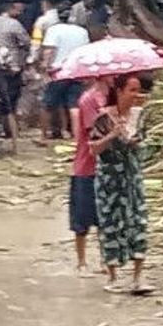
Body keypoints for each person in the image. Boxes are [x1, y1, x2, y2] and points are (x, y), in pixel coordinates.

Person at [89, 74, 154, 294]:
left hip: (132, 177)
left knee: (138, 221)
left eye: (138, 91)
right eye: (132, 90)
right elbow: (93, 148)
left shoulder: (140, 116)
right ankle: (113, 276)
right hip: (110, 179)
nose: (136, 96)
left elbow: (145, 144)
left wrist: (134, 143)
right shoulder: (103, 118)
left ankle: (138, 276)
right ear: (119, 91)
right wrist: (112, 136)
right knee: (111, 224)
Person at [69, 74, 111, 275]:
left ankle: (105, 259)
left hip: (107, 167)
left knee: (105, 216)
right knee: (82, 219)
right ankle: (82, 261)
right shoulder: (88, 100)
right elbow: (94, 131)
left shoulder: (112, 98)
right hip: (86, 166)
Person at [40, 9, 90, 142]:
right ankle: (76, 136)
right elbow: (85, 51)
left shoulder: (54, 30)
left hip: (58, 71)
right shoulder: (82, 31)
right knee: (74, 105)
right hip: (77, 71)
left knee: (47, 104)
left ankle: (43, 136)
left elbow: (49, 50)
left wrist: (45, 66)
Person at [0, 0, 31, 119]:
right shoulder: (14, 24)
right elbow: (26, 42)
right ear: (10, 9)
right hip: (12, 64)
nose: (20, 12)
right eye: (17, 10)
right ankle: (9, 120)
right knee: (12, 94)